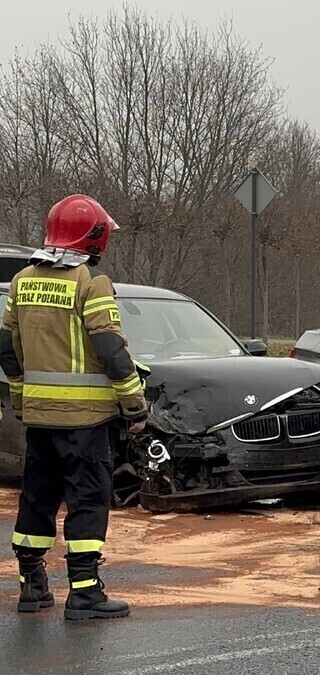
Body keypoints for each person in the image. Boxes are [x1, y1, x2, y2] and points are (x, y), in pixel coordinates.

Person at [0, 194, 147, 620]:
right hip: (85, 423)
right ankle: (84, 593)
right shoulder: (90, 283)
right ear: (95, 238)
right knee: (87, 500)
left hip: (39, 419)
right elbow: (110, 349)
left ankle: (31, 587)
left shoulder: (23, 281)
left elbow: (7, 349)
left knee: (37, 498)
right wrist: (134, 406)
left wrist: (22, 399)